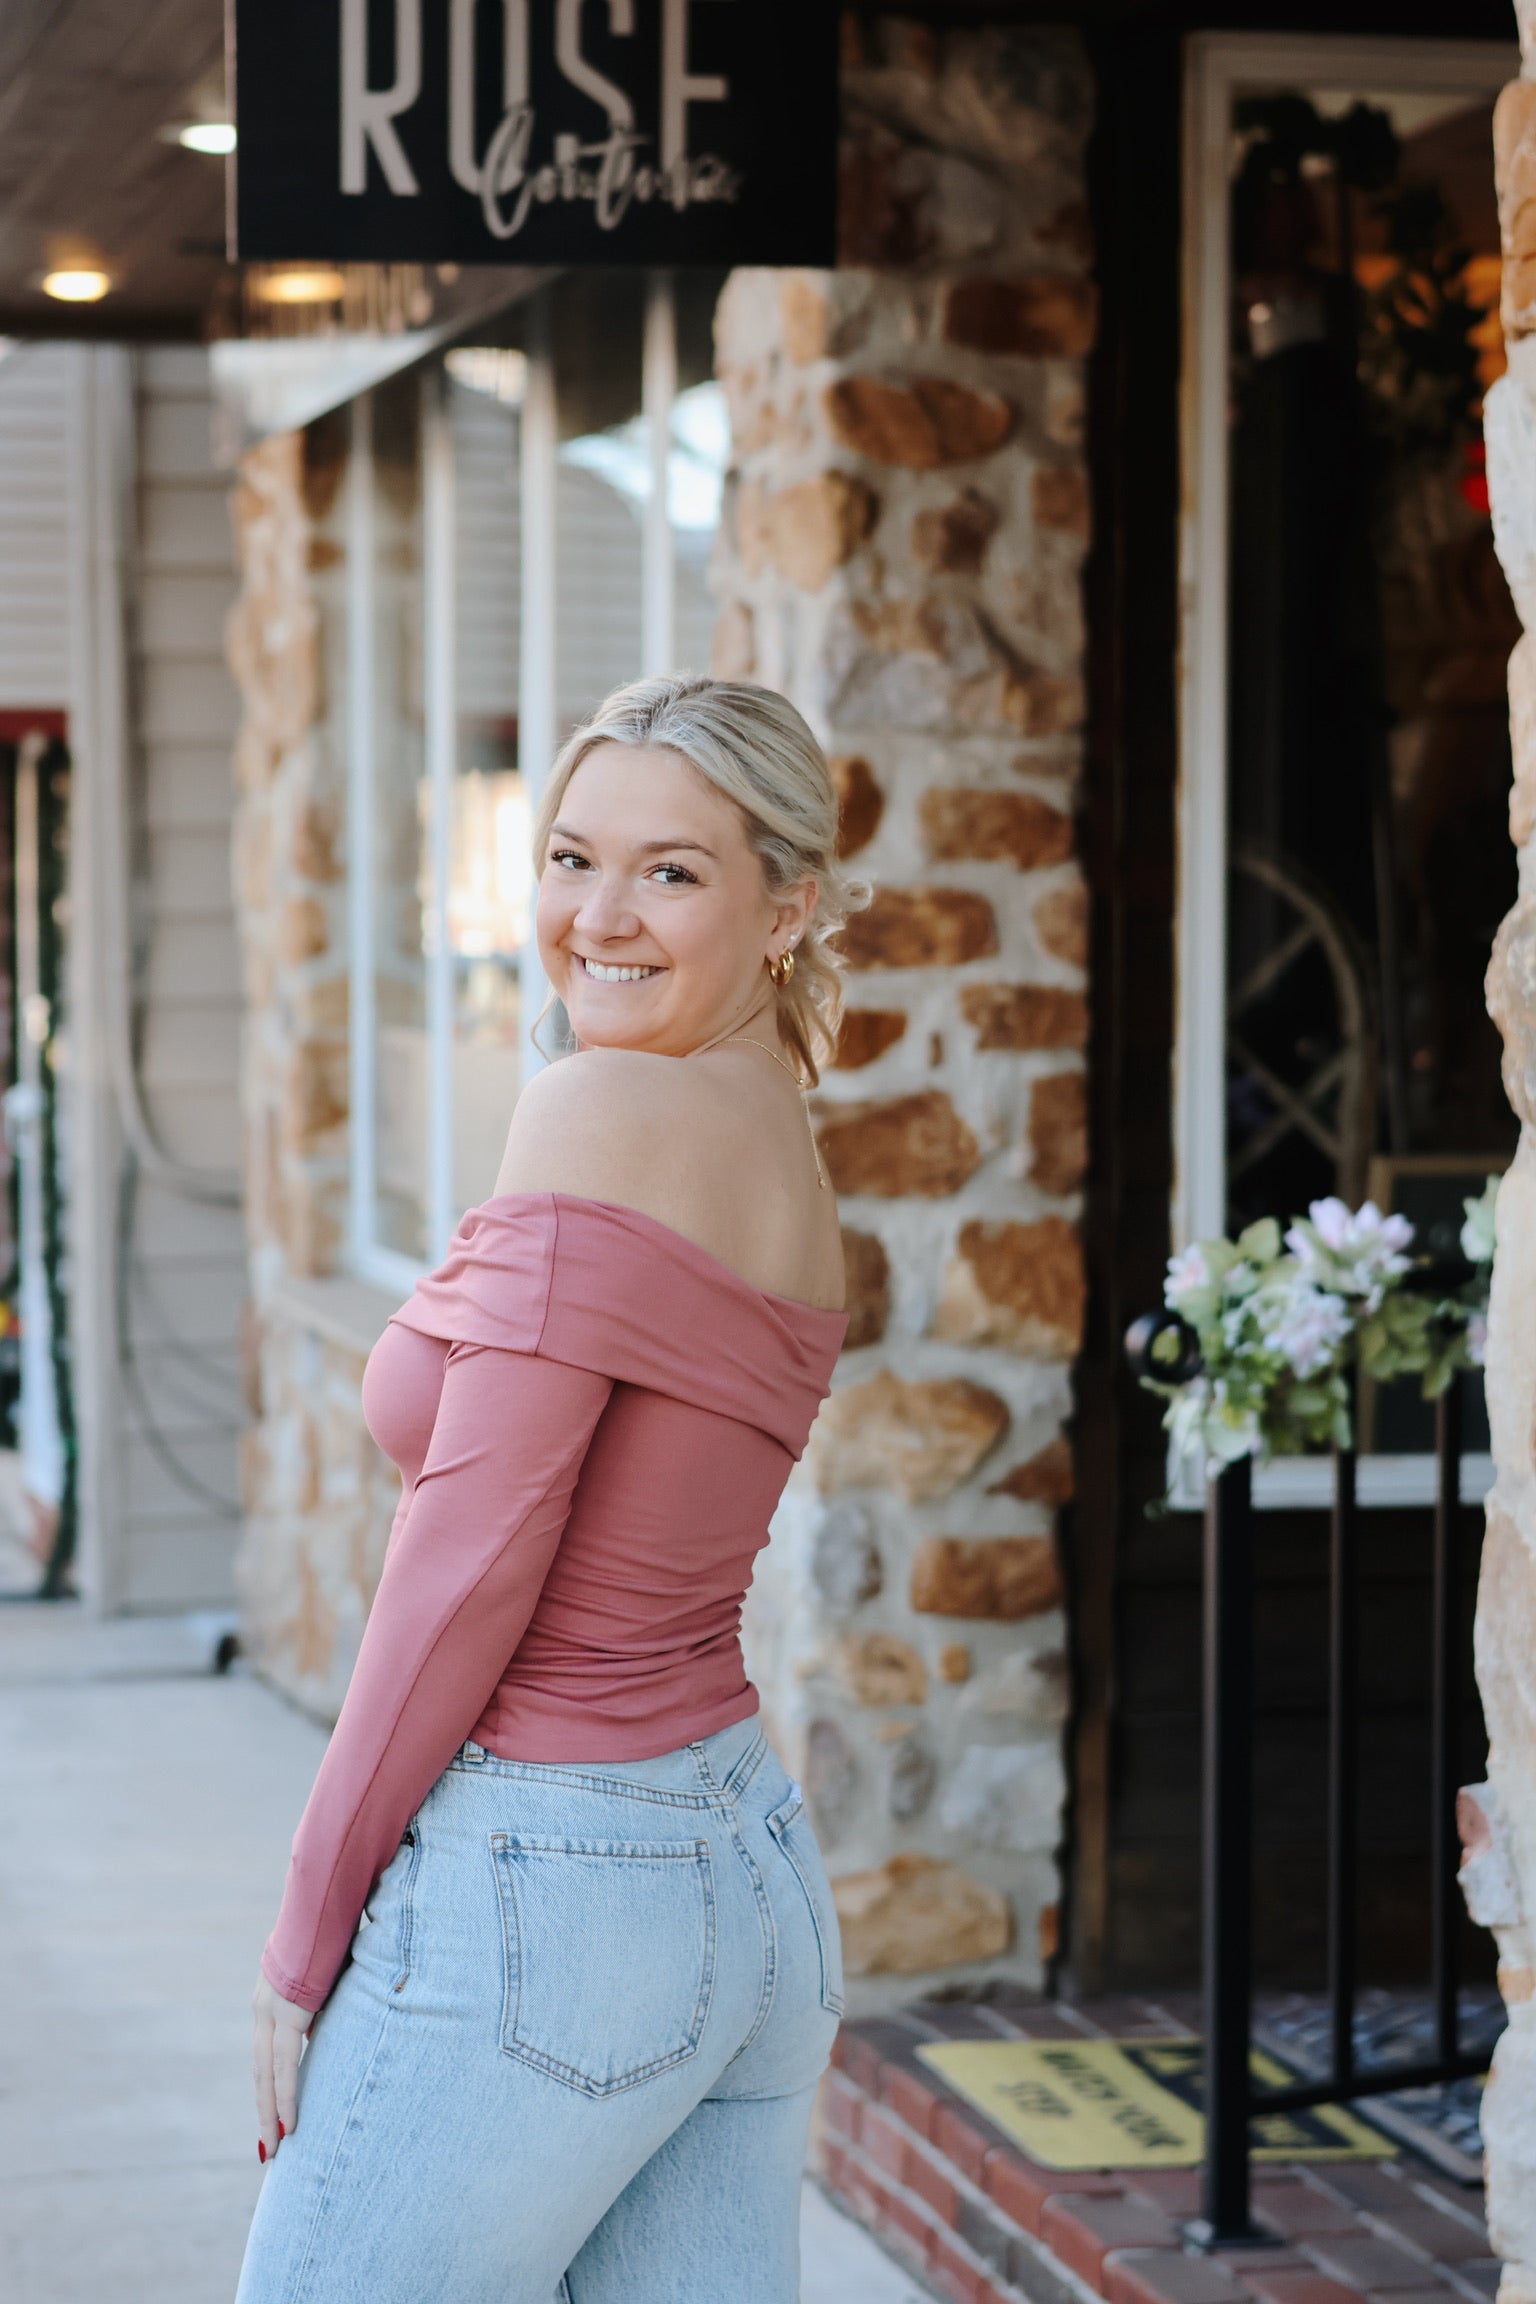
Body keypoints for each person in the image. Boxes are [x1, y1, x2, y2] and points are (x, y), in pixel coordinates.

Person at [235, 674, 855, 2304]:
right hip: (744, 1868)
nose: (600, 917)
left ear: (787, 906)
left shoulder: (602, 1108)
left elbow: (474, 1556)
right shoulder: (774, 1134)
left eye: (672, 871)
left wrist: (308, 1938)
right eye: (572, 858)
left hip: (563, 1889)